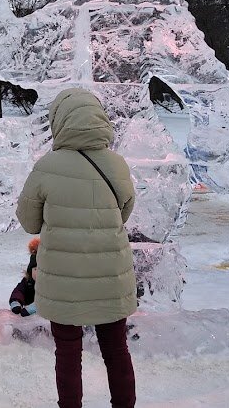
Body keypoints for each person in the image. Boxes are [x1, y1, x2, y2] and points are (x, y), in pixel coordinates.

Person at [16, 89, 137, 408]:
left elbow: (29, 221)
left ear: (59, 121)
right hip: (111, 274)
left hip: (63, 279)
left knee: (67, 353)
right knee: (116, 350)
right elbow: (124, 213)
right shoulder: (117, 164)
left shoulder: (47, 166)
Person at [9, 236, 39, 317]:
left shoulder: (51, 284)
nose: (38, 273)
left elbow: (50, 300)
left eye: (41, 270)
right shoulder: (27, 281)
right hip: (26, 310)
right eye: (35, 269)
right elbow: (19, 291)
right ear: (30, 271)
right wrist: (16, 302)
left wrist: (34, 307)